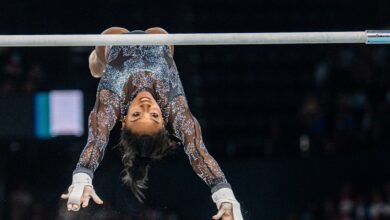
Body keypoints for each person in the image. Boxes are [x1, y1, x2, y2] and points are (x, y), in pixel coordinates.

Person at [60, 27, 243, 220]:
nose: (145, 105)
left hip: (114, 42)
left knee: (98, 64)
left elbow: (96, 140)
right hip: (159, 40)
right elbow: (198, 151)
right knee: (159, 34)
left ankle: (96, 64)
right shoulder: (175, 108)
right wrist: (225, 196)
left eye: (137, 114)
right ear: (164, 120)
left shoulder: (112, 100)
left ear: (123, 121)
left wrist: (82, 177)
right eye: (154, 115)